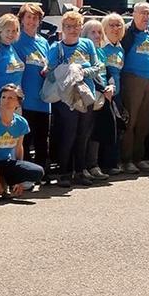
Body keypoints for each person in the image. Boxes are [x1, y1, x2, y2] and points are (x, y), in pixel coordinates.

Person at [47, 10, 103, 187]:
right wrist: (68, 72)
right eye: (68, 27)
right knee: (68, 134)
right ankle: (64, 173)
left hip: (86, 96)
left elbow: (97, 67)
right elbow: (50, 74)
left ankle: (79, 171)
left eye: (76, 26)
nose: (72, 30)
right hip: (67, 98)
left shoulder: (87, 44)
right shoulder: (56, 48)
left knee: (83, 135)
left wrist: (81, 71)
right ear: (63, 28)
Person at [0, 84, 45, 204]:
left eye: (11, 98)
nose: (6, 100)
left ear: (18, 102)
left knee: (38, 172)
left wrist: (19, 180)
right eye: (3, 97)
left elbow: (19, 149)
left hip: (6, 161)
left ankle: (6, 184)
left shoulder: (21, 123)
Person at [12, 3, 52, 171]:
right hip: (25, 100)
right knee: (25, 140)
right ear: (21, 20)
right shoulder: (16, 39)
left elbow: (49, 63)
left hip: (43, 99)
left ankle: (41, 172)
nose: (32, 21)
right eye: (28, 17)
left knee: (42, 139)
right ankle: (26, 173)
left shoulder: (44, 42)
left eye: (35, 18)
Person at [119, 2, 149, 173]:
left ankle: (138, 158)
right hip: (132, 79)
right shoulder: (127, 32)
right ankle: (126, 160)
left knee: (144, 122)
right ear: (133, 14)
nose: (146, 17)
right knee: (130, 121)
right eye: (142, 13)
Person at [82, 19, 117, 180]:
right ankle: (85, 166)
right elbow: (90, 74)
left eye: (99, 32)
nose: (96, 35)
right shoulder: (83, 52)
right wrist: (103, 89)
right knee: (87, 132)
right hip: (91, 97)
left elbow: (106, 72)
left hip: (104, 97)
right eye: (92, 32)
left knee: (100, 132)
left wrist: (111, 86)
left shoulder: (101, 51)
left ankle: (96, 164)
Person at [95, 13, 127, 175]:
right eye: (111, 25)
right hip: (104, 93)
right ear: (104, 28)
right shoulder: (101, 47)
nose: (115, 28)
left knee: (117, 130)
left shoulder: (120, 47)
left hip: (117, 94)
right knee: (105, 130)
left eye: (118, 25)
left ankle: (112, 162)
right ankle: (103, 164)